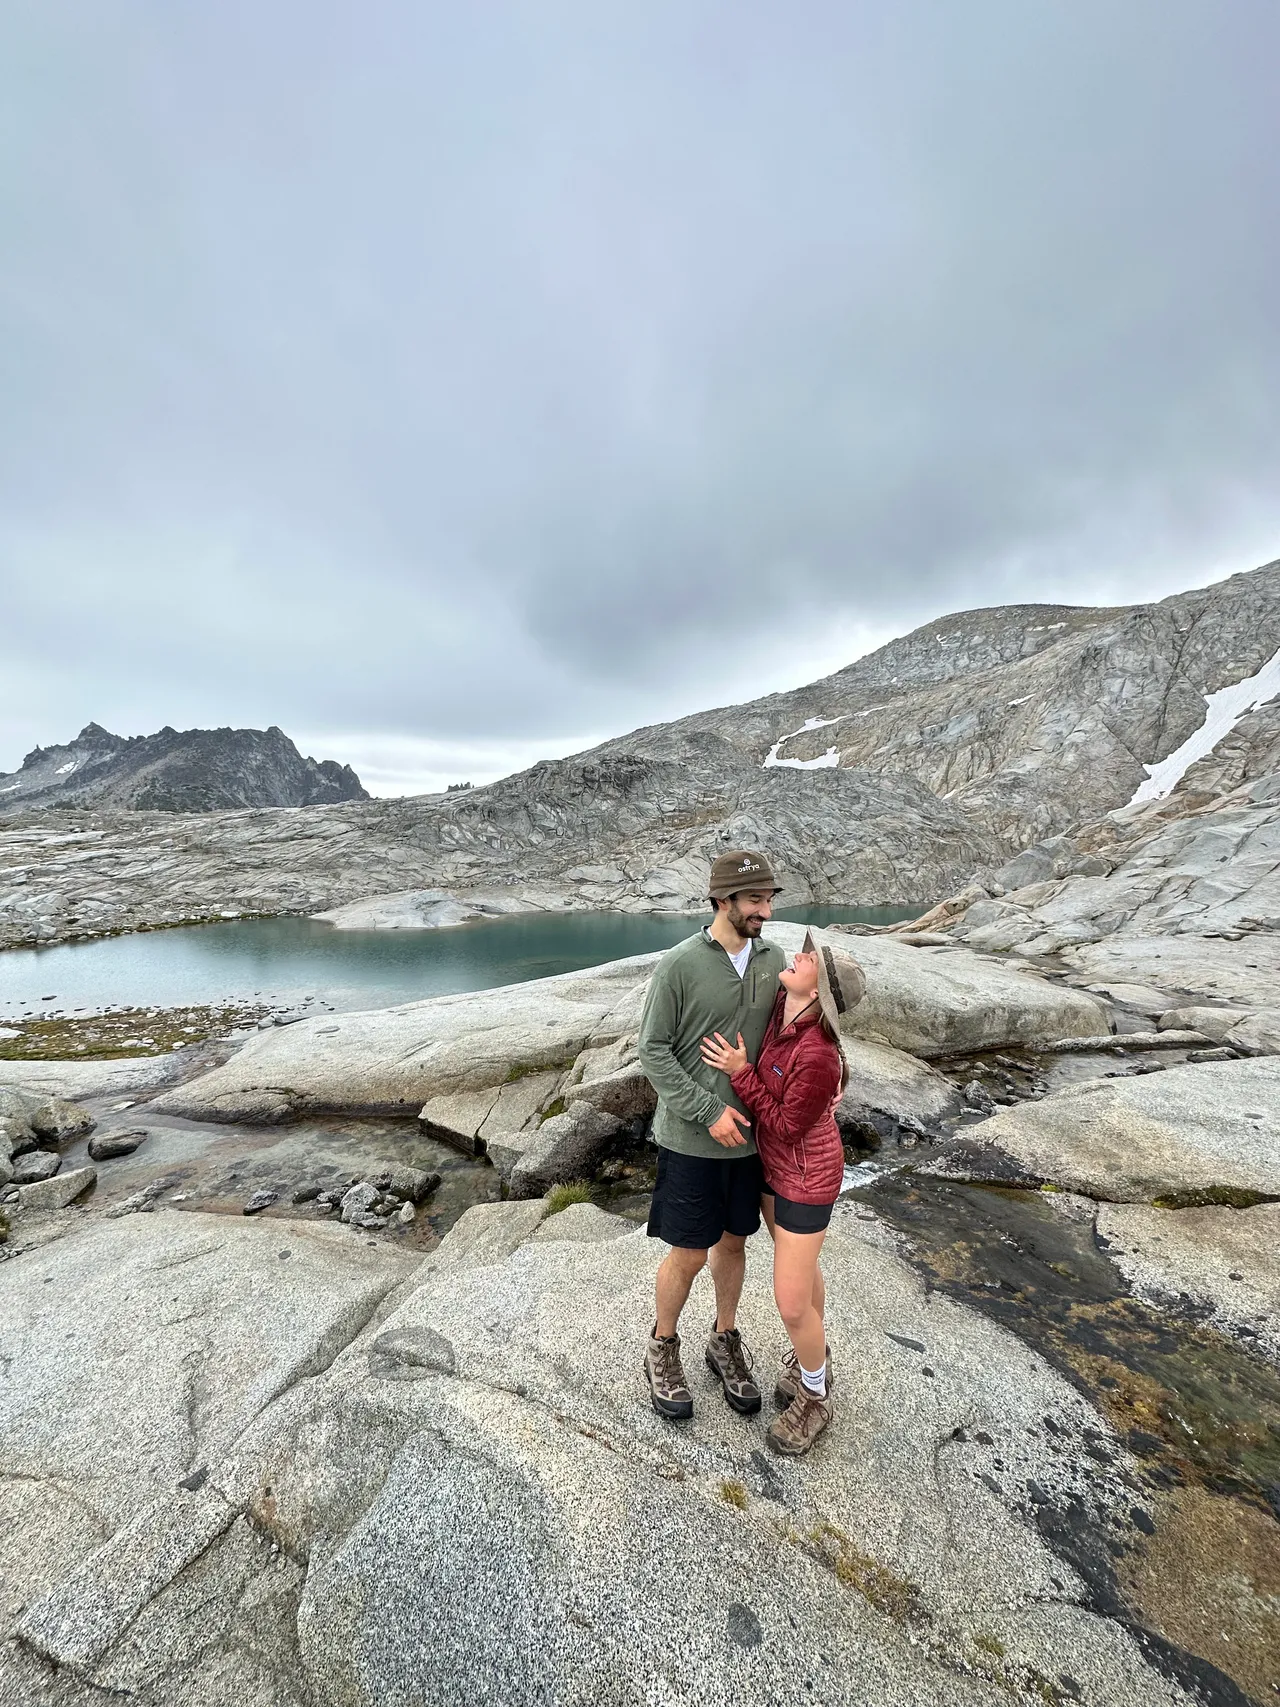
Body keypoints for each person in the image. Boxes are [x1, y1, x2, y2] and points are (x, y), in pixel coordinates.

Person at [700, 931, 866, 1456]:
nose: (797, 956)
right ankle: (811, 1358)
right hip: (776, 1169)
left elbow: (787, 1125)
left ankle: (816, 1395)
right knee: (803, 1272)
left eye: (809, 959)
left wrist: (740, 1073)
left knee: (791, 1302)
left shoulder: (816, 1051)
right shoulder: (784, 1010)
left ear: (821, 993)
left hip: (805, 1177)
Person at [637, 850, 787, 1421]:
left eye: (769, 899)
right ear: (722, 901)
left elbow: (796, 1034)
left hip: (752, 1139)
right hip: (692, 1137)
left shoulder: (776, 960)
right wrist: (708, 1110)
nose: (765, 910)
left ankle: (724, 1340)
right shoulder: (678, 964)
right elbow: (652, 1049)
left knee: (734, 1243)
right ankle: (663, 1345)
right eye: (754, 900)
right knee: (689, 1251)